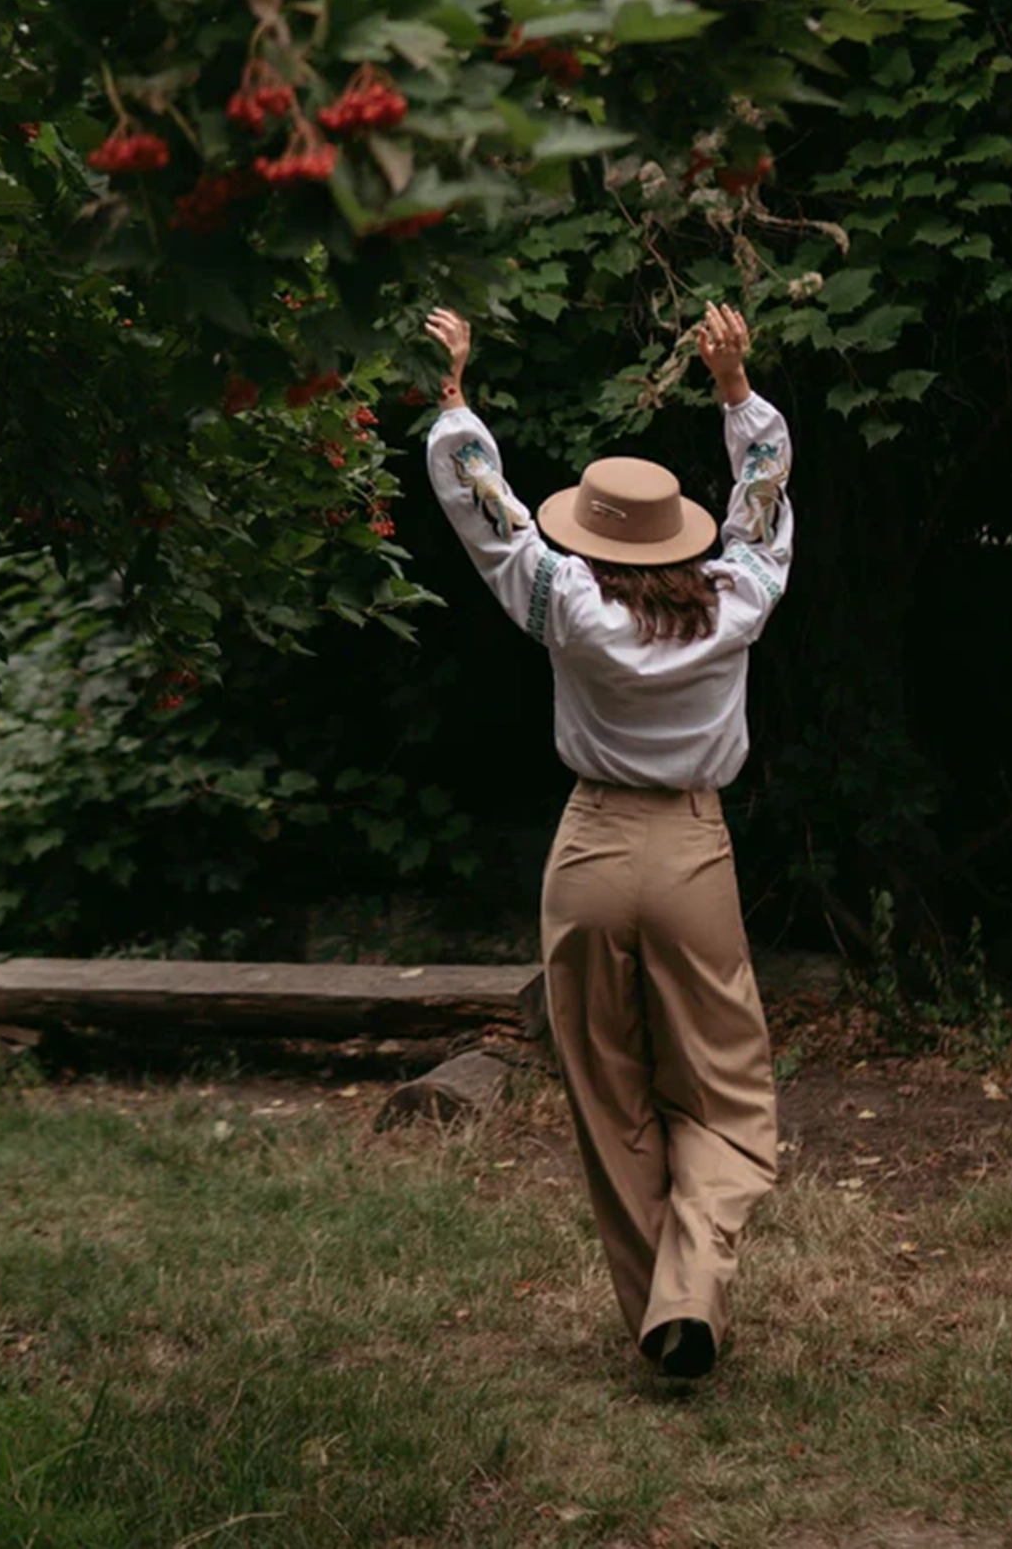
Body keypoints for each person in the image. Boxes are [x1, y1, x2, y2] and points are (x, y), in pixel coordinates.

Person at [423, 301, 793, 1380]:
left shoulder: (567, 603)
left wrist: (455, 398)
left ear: (592, 531)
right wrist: (734, 391)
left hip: (586, 853)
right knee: (726, 1093)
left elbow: (485, 511)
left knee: (608, 1091)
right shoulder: (737, 600)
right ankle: (688, 1293)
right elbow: (764, 504)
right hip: (691, 851)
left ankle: (663, 1313)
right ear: (682, 532)